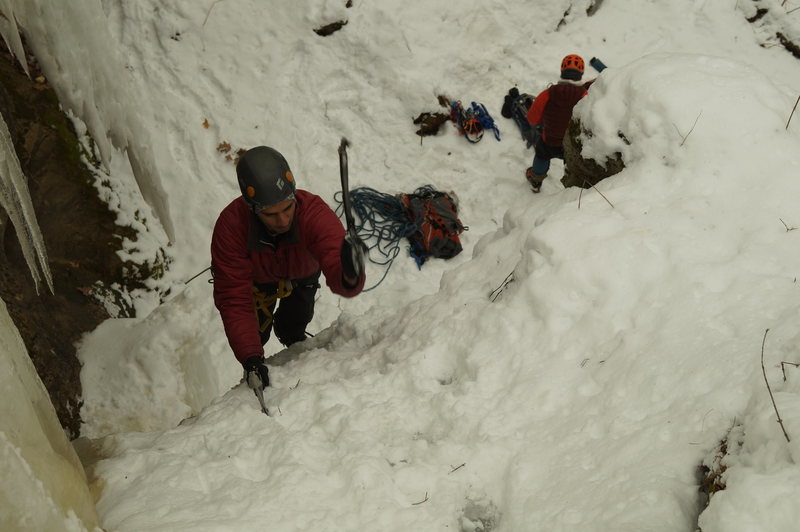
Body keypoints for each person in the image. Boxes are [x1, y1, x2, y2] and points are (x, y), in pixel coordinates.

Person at [211, 146, 366, 391]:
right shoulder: (231, 227)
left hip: (302, 276)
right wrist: (250, 357)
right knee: (255, 336)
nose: (283, 221)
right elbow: (233, 297)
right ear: (252, 208)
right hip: (257, 285)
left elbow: (334, 257)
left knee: (294, 325)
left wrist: (349, 274)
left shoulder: (314, 213)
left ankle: (292, 338)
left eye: (287, 208)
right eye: (270, 214)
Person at [525, 54, 595, 193]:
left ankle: (536, 181)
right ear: (581, 73)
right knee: (571, 164)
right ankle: (571, 190)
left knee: (541, 155)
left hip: (549, 141)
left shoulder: (547, 94)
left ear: (562, 71)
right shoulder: (585, 96)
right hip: (570, 144)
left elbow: (532, 119)